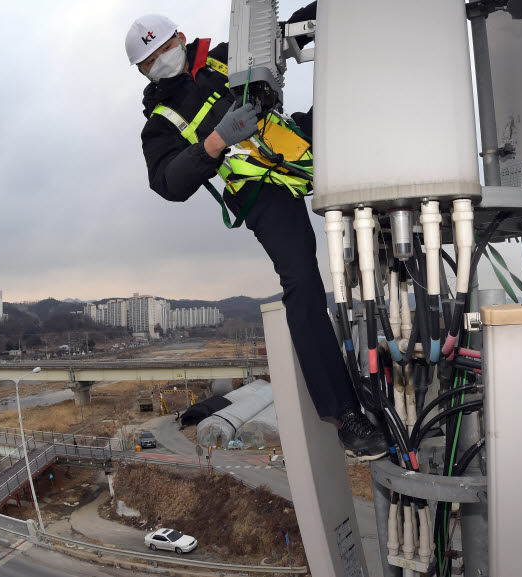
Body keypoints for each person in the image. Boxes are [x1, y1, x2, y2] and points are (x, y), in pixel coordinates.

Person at [125, 9, 387, 460]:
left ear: (181, 39)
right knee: (302, 284)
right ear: (141, 71)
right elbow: (167, 182)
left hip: (292, 142)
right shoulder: (160, 124)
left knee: (361, 124)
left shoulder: (227, 57)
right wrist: (214, 141)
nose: (160, 61)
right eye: (149, 61)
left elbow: (279, 40)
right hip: (259, 189)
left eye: (165, 48)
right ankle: (345, 413)